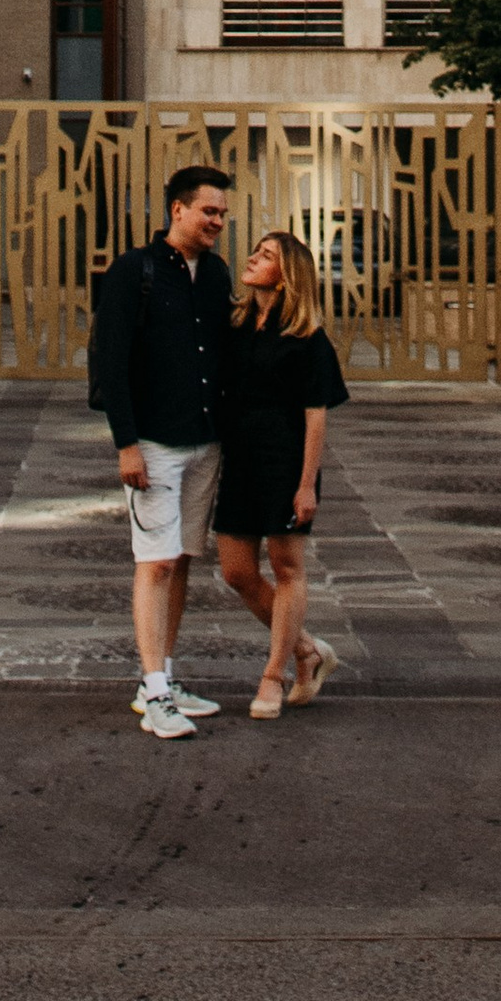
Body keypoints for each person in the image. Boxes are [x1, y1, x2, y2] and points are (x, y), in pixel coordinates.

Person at [86, 162, 235, 739]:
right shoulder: (133, 271)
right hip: (154, 444)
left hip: (206, 442)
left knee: (182, 561)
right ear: (178, 209)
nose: (218, 222)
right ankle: (152, 694)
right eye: (209, 212)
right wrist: (126, 444)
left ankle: (166, 678)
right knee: (156, 562)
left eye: (222, 214)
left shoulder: (218, 273)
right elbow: (111, 362)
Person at [215, 227, 348, 720]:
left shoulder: (307, 338)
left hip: (286, 462)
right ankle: (307, 650)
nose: (251, 259)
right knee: (237, 572)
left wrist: (306, 483)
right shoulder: (236, 325)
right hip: (240, 462)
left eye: (265, 255)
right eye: (255, 251)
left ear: (287, 274)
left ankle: (274, 675)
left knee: (287, 567)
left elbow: (317, 413)